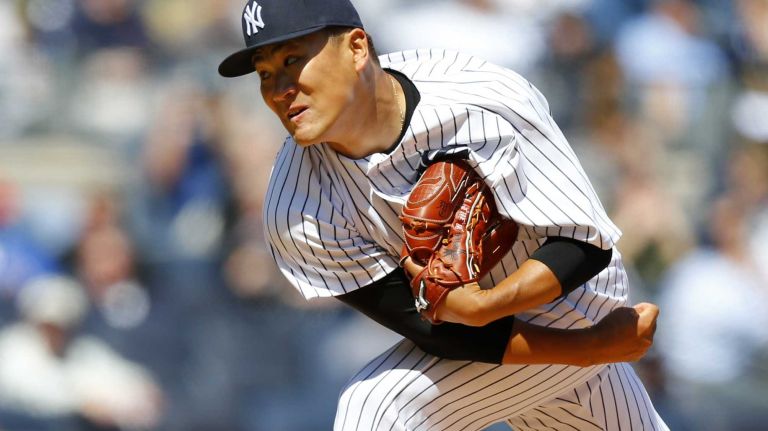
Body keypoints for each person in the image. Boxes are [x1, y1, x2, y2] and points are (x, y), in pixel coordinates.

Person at [218, 1, 668, 429]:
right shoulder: (297, 208)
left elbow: (585, 245)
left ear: (357, 47)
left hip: (573, 300)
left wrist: (515, 315)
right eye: (265, 73)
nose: (279, 90)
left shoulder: (477, 96)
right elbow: (437, 335)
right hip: (477, 342)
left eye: (294, 59)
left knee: (378, 408)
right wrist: (586, 351)